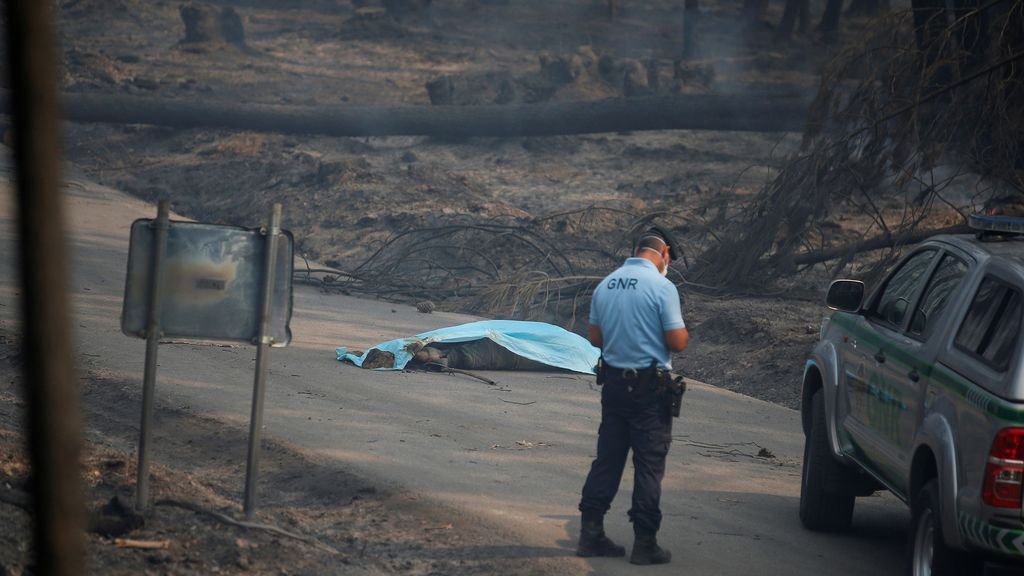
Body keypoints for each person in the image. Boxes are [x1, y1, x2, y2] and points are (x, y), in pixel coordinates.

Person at [576, 225, 689, 566]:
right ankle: (645, 543)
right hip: (649, 390)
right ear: (664, 254)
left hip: (613, 387)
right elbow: (678, 341)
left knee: (607, 459)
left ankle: (590, 534)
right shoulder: (662, 287)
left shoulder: (605, 284)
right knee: (649, 465)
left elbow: (595, 338)